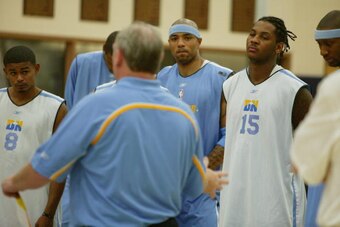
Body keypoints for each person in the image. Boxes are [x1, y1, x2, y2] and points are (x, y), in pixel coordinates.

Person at [1, 22, 228, 226]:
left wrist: (13, 183)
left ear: (117, 58)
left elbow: (46, 166)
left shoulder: (95, 106)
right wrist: (206, 179)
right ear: (158, 61)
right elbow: (193, 183)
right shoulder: (183, 115)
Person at [219, 16, 313, 227]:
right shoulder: (230, 85)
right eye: (252, 34)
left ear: (279, 47)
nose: (254, 40)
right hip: (234, 197)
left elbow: (313, 147)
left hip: (275, 200)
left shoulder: (295, 90)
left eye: (264, 37)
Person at [157, 18, 234, 227]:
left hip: (204, 190)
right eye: (174, 38)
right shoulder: (161, 78)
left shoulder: (223, 78)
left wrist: (200, 169)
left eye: (187, 37)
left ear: (199, 41)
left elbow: (231, 136)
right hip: (167, 189)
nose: (180, 43)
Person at [0, 45, 67, 226]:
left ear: (36, 69)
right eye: (13, 73)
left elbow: (60, 165)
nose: (19, 78)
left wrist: (48, 213)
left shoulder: (56, 108)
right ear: (5, 72)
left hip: (37, 204)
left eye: (25, 71)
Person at [61, 30, 118, 226]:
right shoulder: (82, 63)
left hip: (112, 156)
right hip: (79, 150)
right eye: (112, 59)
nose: (116, 65)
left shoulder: (132, 71)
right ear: (104, 52)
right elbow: (68, 104)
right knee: (69, 214)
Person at [291, 10, 340, 227]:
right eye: (319, 44)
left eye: (329, 43)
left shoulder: (333, 87)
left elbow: (306, 163)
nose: (322, 51)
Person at [64, 30, 119, 109]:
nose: (112, 68)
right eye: (110, 62)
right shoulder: (80, 63)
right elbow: (68, 101)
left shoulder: (127, 71)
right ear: (104, 49)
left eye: (117, 64)